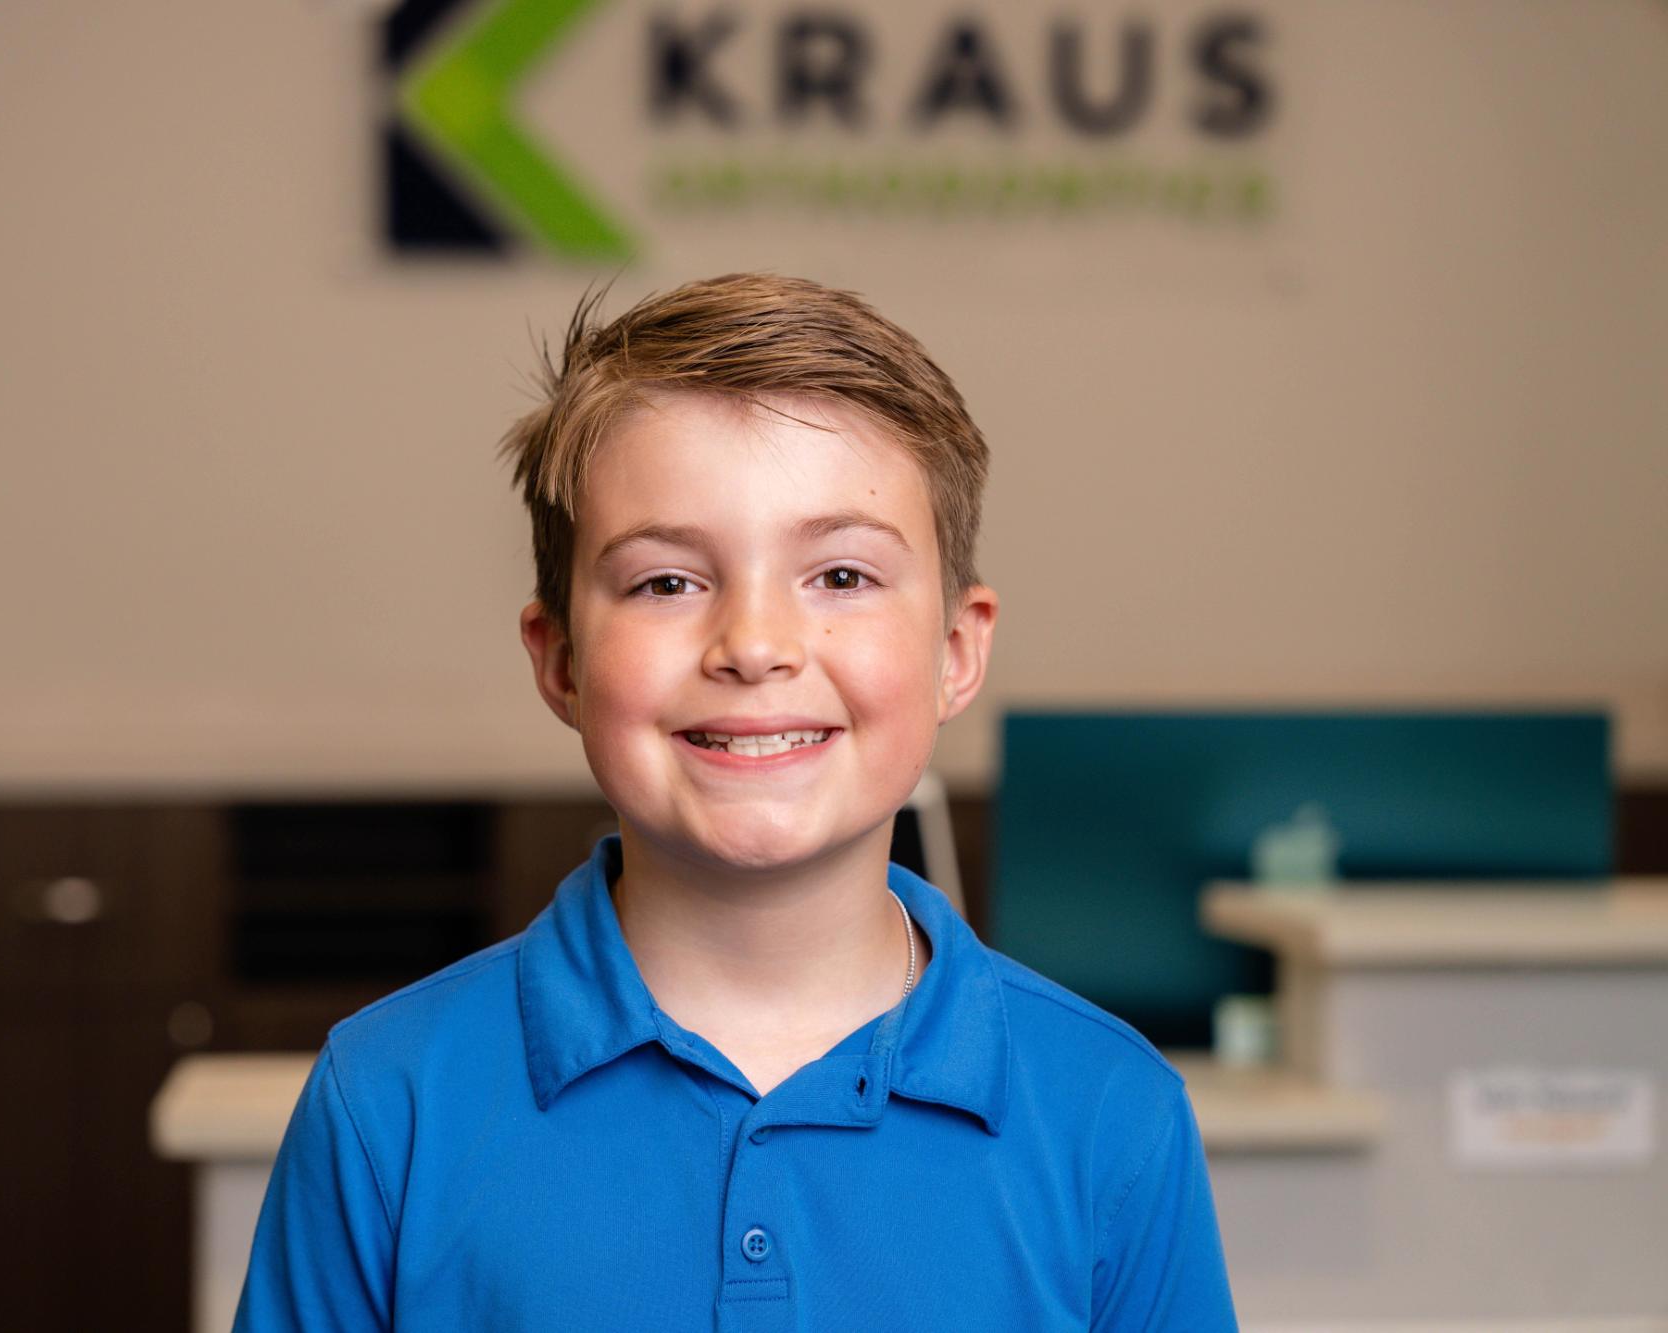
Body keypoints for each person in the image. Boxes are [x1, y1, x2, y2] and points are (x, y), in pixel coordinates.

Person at [233, 273, 1238, 1330]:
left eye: (840, 576)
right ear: (561, 657)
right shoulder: (386, 1101)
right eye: (667, 581)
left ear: (954, 649)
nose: (754, 646)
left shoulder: (1110, 1113)